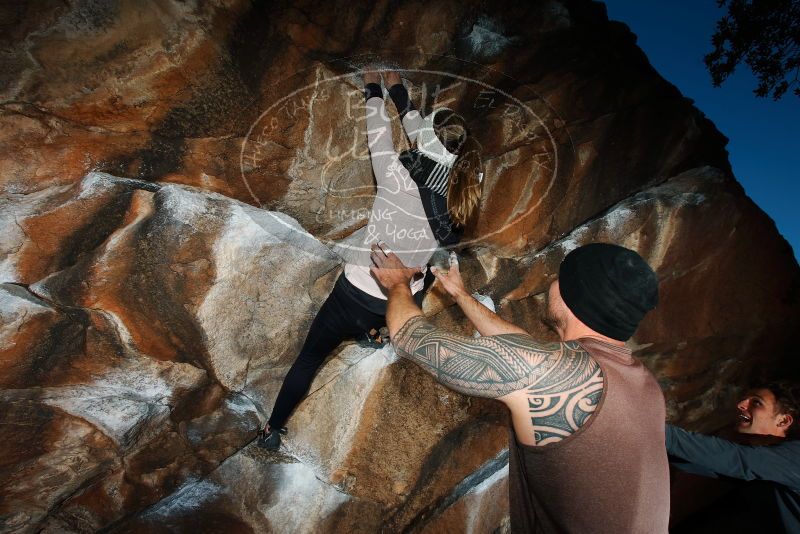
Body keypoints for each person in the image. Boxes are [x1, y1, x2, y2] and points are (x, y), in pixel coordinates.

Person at [370, 242, 670, 533]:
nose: (551, 283)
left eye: (559, 278)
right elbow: (527, 352)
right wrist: (460, 294)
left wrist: (398, 283)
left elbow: (411, 337)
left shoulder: (559, 375)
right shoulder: (642, 383)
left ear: (574, 296)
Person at [257, 69, 484, 450]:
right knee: (415, 279)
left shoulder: (397, 174)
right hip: (396, 301)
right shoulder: (464, 186)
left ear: (427, 138)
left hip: (355, 291)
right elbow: (429, 140)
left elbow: (376, 129)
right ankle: (374, 333)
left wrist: (374, 89)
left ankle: (271, 430)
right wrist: (399, 93)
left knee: (309, 359)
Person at [667, 382, 800, 533]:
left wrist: (654, 429)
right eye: (744, 399)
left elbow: (734, 458)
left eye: (756, 402)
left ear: (783, 421)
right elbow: (708, 463)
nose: (741, 405)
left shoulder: (795, 457)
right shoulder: (769, 466)